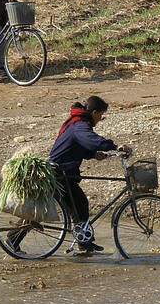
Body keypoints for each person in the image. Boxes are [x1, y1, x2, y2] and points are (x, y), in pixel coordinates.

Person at [47, 96, 130, 253]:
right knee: (68, 206)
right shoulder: (80, 125)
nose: (100, 119)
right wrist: (114, 146)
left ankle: (84, 242)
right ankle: (14, 237)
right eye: (100, 115)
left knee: (80, 204)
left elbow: (78, 146)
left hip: (65, 172)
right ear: (94, 112)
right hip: (60, 173)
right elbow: (93, 140)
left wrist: (92, 155)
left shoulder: (78, 123)